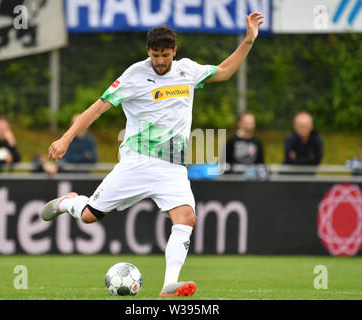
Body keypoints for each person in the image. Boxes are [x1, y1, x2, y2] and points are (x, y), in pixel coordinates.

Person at [41, 13, 264, 297]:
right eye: (156, 54)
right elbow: (96, 108)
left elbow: (223, 71)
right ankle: (68, 203)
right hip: (137, 161)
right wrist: (65, 138)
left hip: (172, 166)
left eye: (166, 55)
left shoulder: (187, 71)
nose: (160, 61)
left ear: (175, 52)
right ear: (149, 51)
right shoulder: (133, 75)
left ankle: (169, 284)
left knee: (186, 218)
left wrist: (247, 40)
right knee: (88, 216)